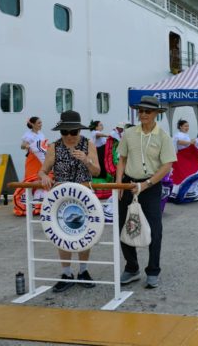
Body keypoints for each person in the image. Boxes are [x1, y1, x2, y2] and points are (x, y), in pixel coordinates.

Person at [115, 95, 176, 288]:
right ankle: (132, 268)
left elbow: (167, 165)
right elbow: (122, 159)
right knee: (123, 226)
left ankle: (153, 270)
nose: (143, 114)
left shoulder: (163, 137)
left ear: (156, 113)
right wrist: (118, 184)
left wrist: (147, 184)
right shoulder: (129, 133)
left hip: (150, 186)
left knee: (155, 229)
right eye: (140, 110)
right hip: (127, 185)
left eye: (147, 111)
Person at [37, 110, 101, 292]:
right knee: (62, 234)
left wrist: (87, 160)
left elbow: (97, 171)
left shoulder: (88, 145)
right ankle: (66, 273)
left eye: (74, 132)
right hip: (62, 199)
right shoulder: (54, 147)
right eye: (65, 132)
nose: (70, 136)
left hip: (84, 197)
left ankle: (83, 271)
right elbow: (42, 170)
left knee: (84, 233)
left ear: (80, 131)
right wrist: (44, 177)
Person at [14, 116, 47, 216]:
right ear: (32, 124)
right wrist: (32, 147)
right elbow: (22, 146)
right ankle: (28, 204)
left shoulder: (41, 134)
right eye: (39, 123)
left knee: (41, 179)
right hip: (32, 159)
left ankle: (40, 204)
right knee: (31, 179)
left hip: (41, 159)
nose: (41, 125)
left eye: (41, 123)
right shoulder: (28, 135)